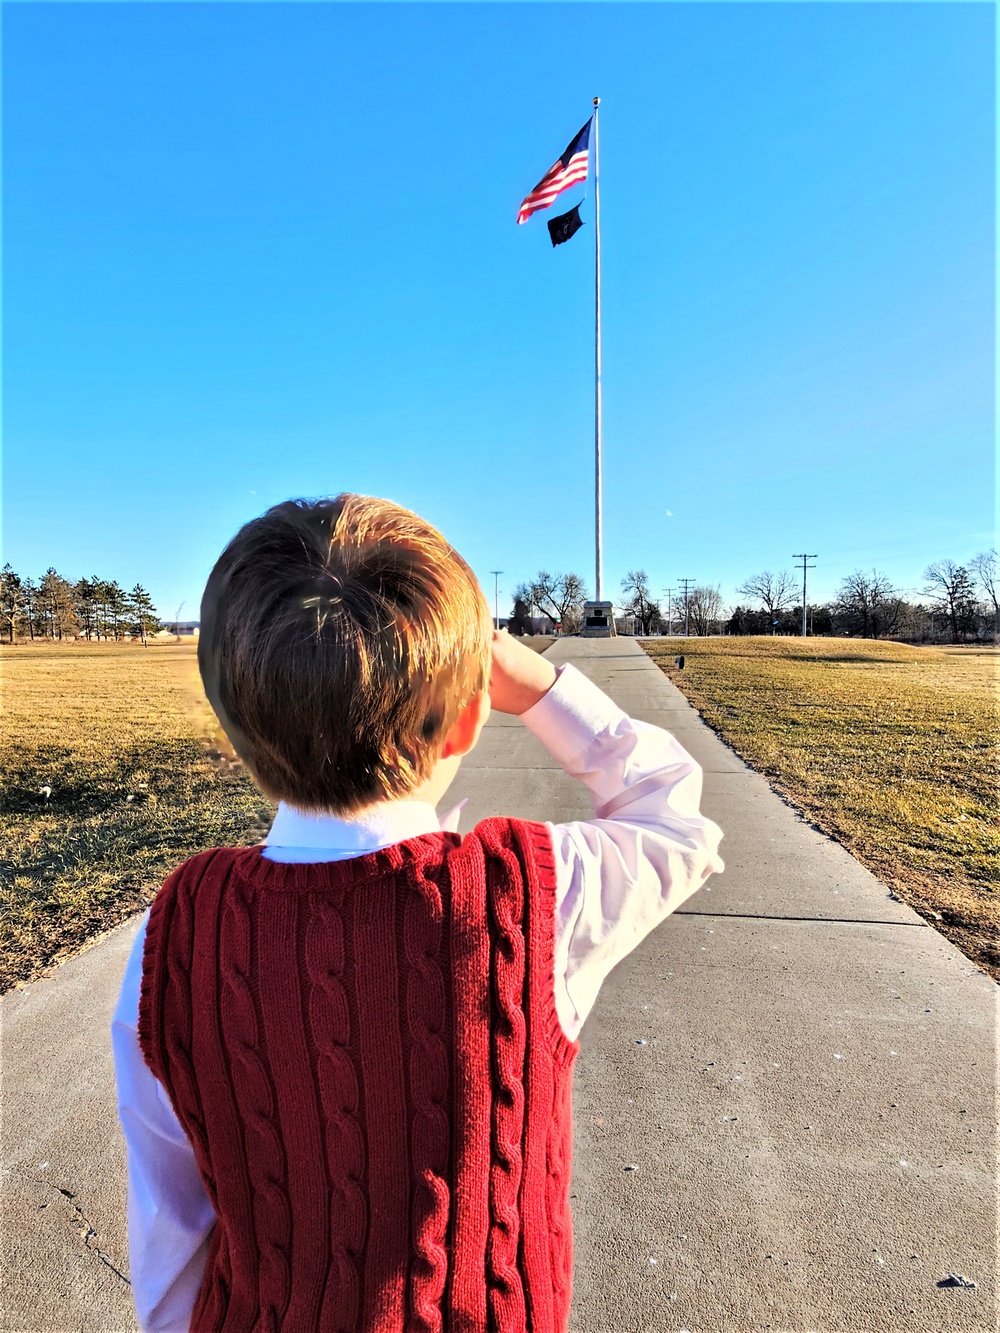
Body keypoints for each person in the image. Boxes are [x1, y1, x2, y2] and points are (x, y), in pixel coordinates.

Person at [111, 493, 724, 1333]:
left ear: (235, 725)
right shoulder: (533, 898)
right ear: (472, 712)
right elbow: (673, 814)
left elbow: (170, 1221)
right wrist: (542, 687)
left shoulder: (176, 930)